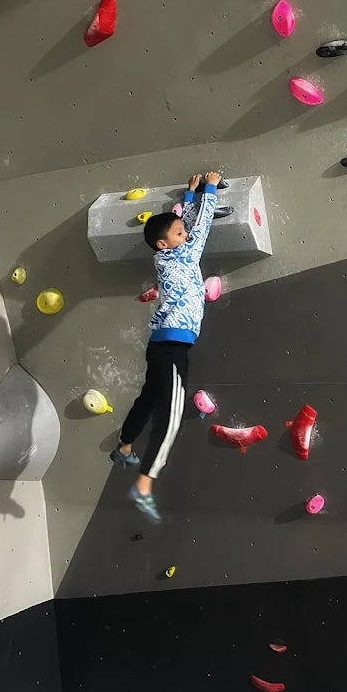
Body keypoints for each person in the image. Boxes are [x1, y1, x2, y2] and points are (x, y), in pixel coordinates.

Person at [110, 171, 222, 523]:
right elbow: (200, 229)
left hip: (164, 343)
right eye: (178, 234)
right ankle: (144, 484)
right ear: (164, 243)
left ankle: (125, 448)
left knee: (148, 399)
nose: (185, 234)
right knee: (170, 417)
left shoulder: (170, 255)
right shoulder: (184, 255)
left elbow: (185, 228)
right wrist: (210, 189)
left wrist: (188, 199)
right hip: (173, 346)